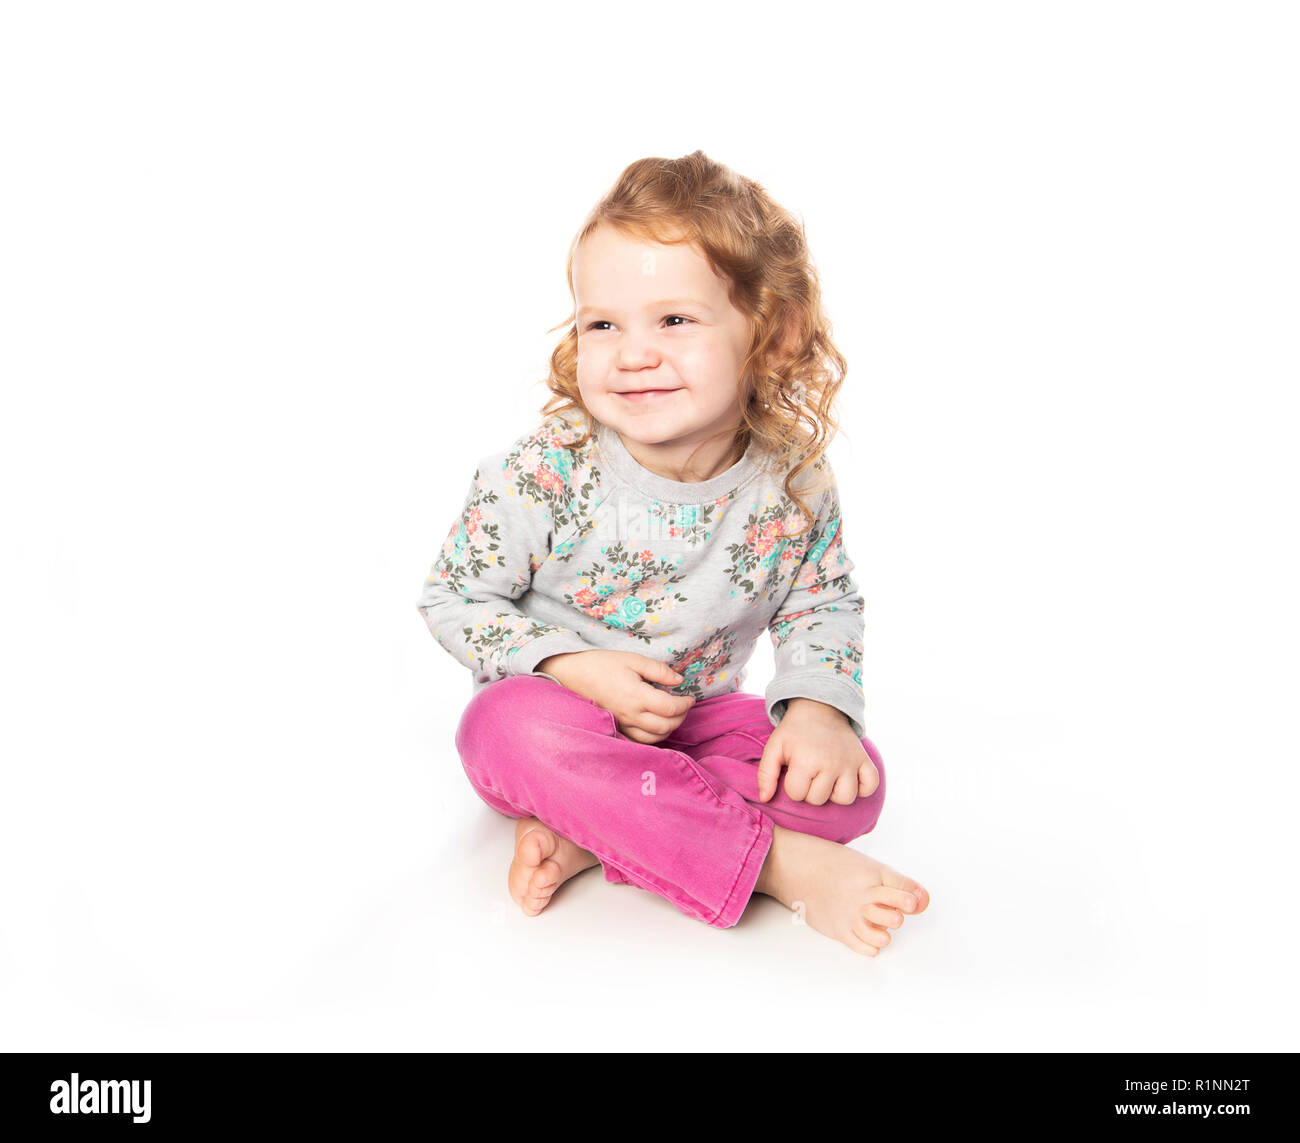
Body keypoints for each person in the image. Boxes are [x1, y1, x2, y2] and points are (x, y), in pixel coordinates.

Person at [416, 150, 930, 957]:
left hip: (692, 722)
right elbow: (452, 597)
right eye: (603, 324)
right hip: (561, 726)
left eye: (675, 320)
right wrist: (567, 666)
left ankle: (599, 834)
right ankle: (771, 865)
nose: (633, 352)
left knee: (853, 784)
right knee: (500, 728)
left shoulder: (791, 479)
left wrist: (821, 713)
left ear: (772, 331)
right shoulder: (545, 470)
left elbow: (821, 601)